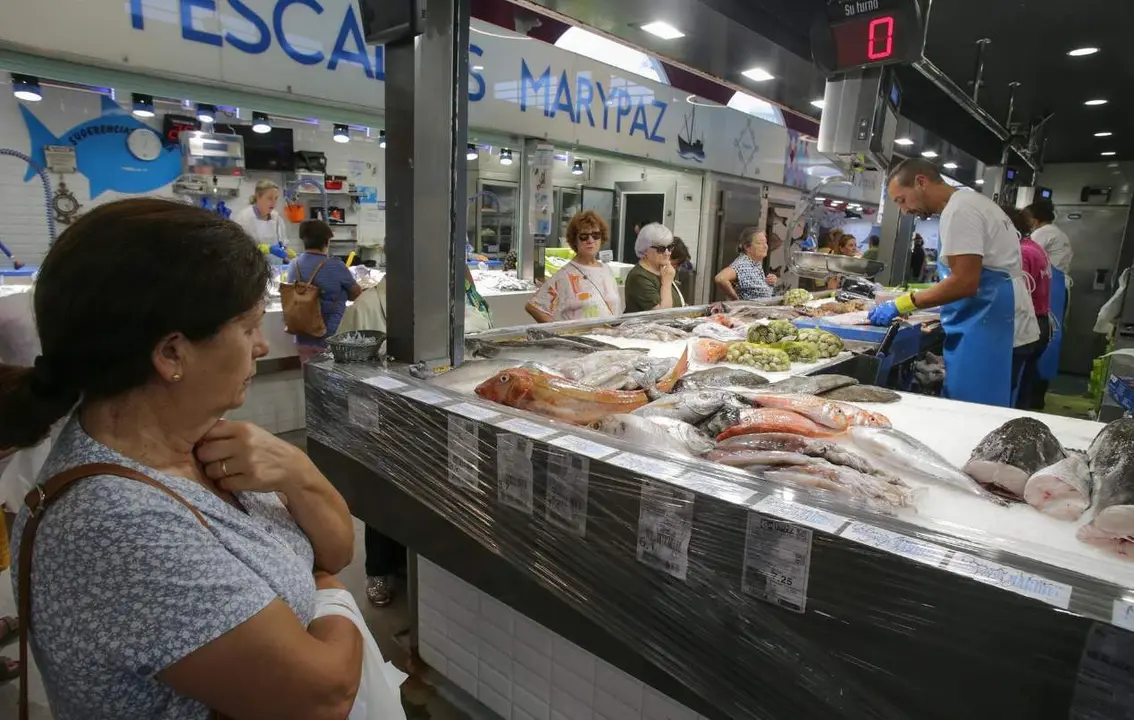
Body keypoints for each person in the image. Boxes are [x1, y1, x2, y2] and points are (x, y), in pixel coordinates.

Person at [0, 198, 361, 718]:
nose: (261, 346)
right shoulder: (114, 525)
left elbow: (339, 550)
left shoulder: (206, 443)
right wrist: (324, 588)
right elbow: (323, 694)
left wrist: (299, 473)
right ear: (171, 353)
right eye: (248, 327)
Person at [870, 159, 1039, 407]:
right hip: (994, 319)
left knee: (974, 413)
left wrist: (901, 304)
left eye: (902, 200)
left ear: (920, 182)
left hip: (992, 328)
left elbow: (964, 283)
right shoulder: (971, 202)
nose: (904, 210)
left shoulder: (960, 211)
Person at [526, 210, 622, 322]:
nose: (590, 240)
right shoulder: (565, 275)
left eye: (595, 235)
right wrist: (558, 332)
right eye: (584, 236)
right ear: (575, 240)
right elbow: (534, 307)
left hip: (611, 337)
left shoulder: (606, 270)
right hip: (582, 338)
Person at [287, 220, 362, 362]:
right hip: (328, 335)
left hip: (301, 334)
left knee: (309, 374)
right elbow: (356, 293)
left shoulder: (294, 264)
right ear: (326, 242)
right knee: (329, 377)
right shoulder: (335, 265)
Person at [1007, 209, 1052, 410]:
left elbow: (1015, 296)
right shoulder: (1034, 247)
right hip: (1039, 324)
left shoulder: (1022, 253)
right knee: (1023, 387)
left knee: (1012, 388)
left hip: (1026, 326)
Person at [1025, 200, 1072, 386]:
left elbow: (1026, 254)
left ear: (1035, 218)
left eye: (1027, 218)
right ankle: (1040, 390)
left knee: (1042, 337)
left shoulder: (1043, 233)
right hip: (1058, 288)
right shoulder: (1058, 233)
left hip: (1049, 288)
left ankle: (1035, 387)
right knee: (1051, 336)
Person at [624, 223, 685, 313]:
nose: (667, 253)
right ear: (645, 250)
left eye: (670, 247)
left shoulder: (664, 270)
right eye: (661, 249)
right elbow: (663, 314)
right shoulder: (639, 277)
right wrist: (667, 283)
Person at [714, 228, 777, 301]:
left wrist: (770, 282)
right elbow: (720, 278)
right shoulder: (742, 264)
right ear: (747, 247)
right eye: (760, 243)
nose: (765, 246)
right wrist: (736, 300)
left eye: (765, 242)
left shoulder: (755, 263)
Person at [233, 179, 290, 253]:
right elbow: (238, 248)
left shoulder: (277, 218)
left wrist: (286, 252)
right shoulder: (243, 218)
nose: (274, 202)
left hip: (276, 264)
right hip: (252, 263)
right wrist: (265, 249)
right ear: (258, 197)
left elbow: (283, 242)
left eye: (276, 198)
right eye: (269, 198)